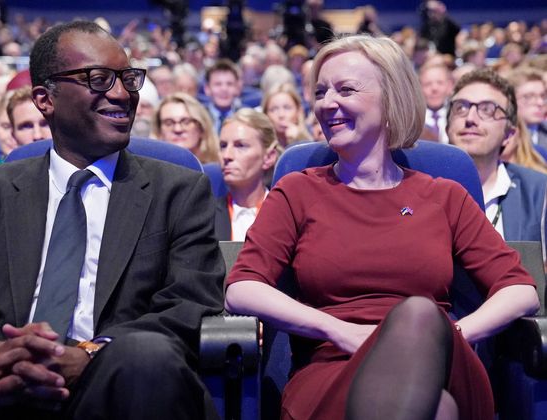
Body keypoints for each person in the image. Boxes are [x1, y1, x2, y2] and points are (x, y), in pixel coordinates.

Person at [0, 20, 224, 420]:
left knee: (147, 356)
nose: (121, 93)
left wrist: (87, 354)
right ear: (45, 99)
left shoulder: (178, 191)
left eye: (128, 79)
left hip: (111, 374)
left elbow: (188, 303)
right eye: (99, 79)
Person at [224, 34, 539, 420]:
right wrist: (336, 329)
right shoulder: (297, 190)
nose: (327, 103)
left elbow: (520, 290)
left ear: (391, 100)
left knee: (421, 315)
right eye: (321, 91)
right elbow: (241, 289)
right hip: (335, 367)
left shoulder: (444, 196)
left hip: (443, 366)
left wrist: (453, 335)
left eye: (346, 89)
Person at [447, 68, 547, 258]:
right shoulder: (419, 187)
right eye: (461, 107)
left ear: (509, 135)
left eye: (487, 109)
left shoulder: (539, 193)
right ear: (447, 126)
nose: (470, 118)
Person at [215, 108, 278, 241]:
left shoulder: (286, 214)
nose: (227, 156)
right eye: (223, 146)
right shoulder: (205, 216)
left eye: (240, 146)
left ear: (269, 157)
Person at [151, 92, 219, 164]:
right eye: (169, 123)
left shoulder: (220, 169)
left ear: (201, 127)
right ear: (159, 130)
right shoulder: (151, 171)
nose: (178, 129)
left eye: (186, 122)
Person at [262, 83, 312, 148]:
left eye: (287, 108)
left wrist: (299, 139)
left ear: (298, 111)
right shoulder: (261, 147)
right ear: (266, 114)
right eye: (274, 109)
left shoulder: (314, 137)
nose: (281, 115)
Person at [507, 67, 547, 149]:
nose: (540, 102)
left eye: (543, 96)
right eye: (528, 97)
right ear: (511, 100)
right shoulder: (501, 137)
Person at [203, 58, 242, 134]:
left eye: (229, 84)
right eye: (218, 84)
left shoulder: (245, 118)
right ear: (207, 89)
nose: (224, 89)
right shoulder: (199, 118)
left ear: (237, 88)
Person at [419, 62, 454, 143]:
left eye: (440, 83)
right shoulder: (413, 120)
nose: (434, 88)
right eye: (427, 84)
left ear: (450, 86)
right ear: (419, 88)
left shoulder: (456, 117)